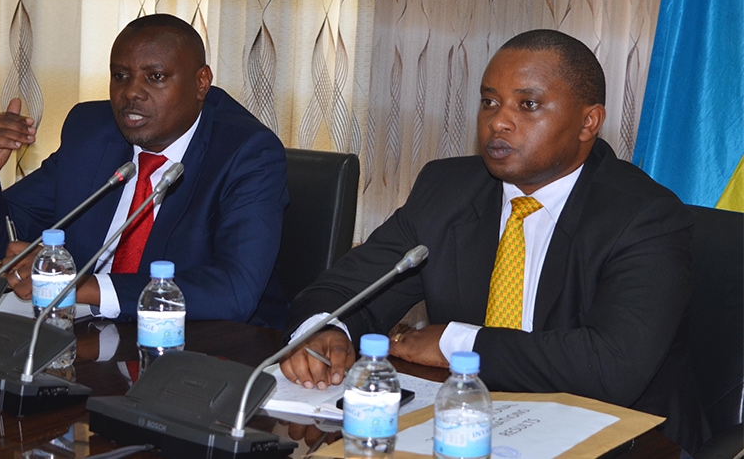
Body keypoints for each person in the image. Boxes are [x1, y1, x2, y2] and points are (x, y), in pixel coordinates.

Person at [279, 29, 707, 451]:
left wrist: (456, 343)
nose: (498, 121)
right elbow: (346, 289)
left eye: (528, 104)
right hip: (470, 428)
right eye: (489, 102)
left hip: (623, 439)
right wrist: (325, 330)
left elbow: (611, 365)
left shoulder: (643, 215)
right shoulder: (446, 190)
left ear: (587, 122)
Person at [0, 13, 288, 325]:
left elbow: (234, 291)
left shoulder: (246, 153)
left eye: (155, 77)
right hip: (88, 336)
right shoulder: (92, 132)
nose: (130, 92)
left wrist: (84, 287)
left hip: (205, 350)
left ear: (202, 83)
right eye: (121, 76)